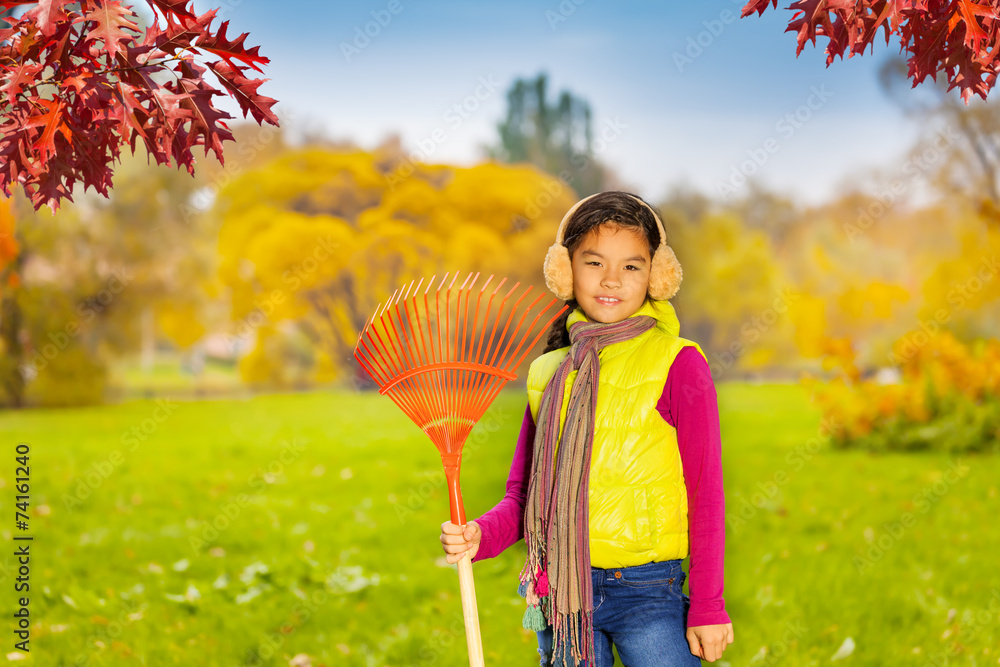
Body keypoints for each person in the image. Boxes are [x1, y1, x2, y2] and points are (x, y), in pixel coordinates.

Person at [439, 191, 735, 666]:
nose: (612, 279)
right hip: (563, 594)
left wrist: (708, 606)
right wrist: (480, 535)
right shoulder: (548, 373)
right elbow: (525, 495)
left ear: (656, 277)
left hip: (649, 592)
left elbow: (706, 492)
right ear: (565, 270)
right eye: (594, 262)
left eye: (632, 267)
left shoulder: (678, 363)